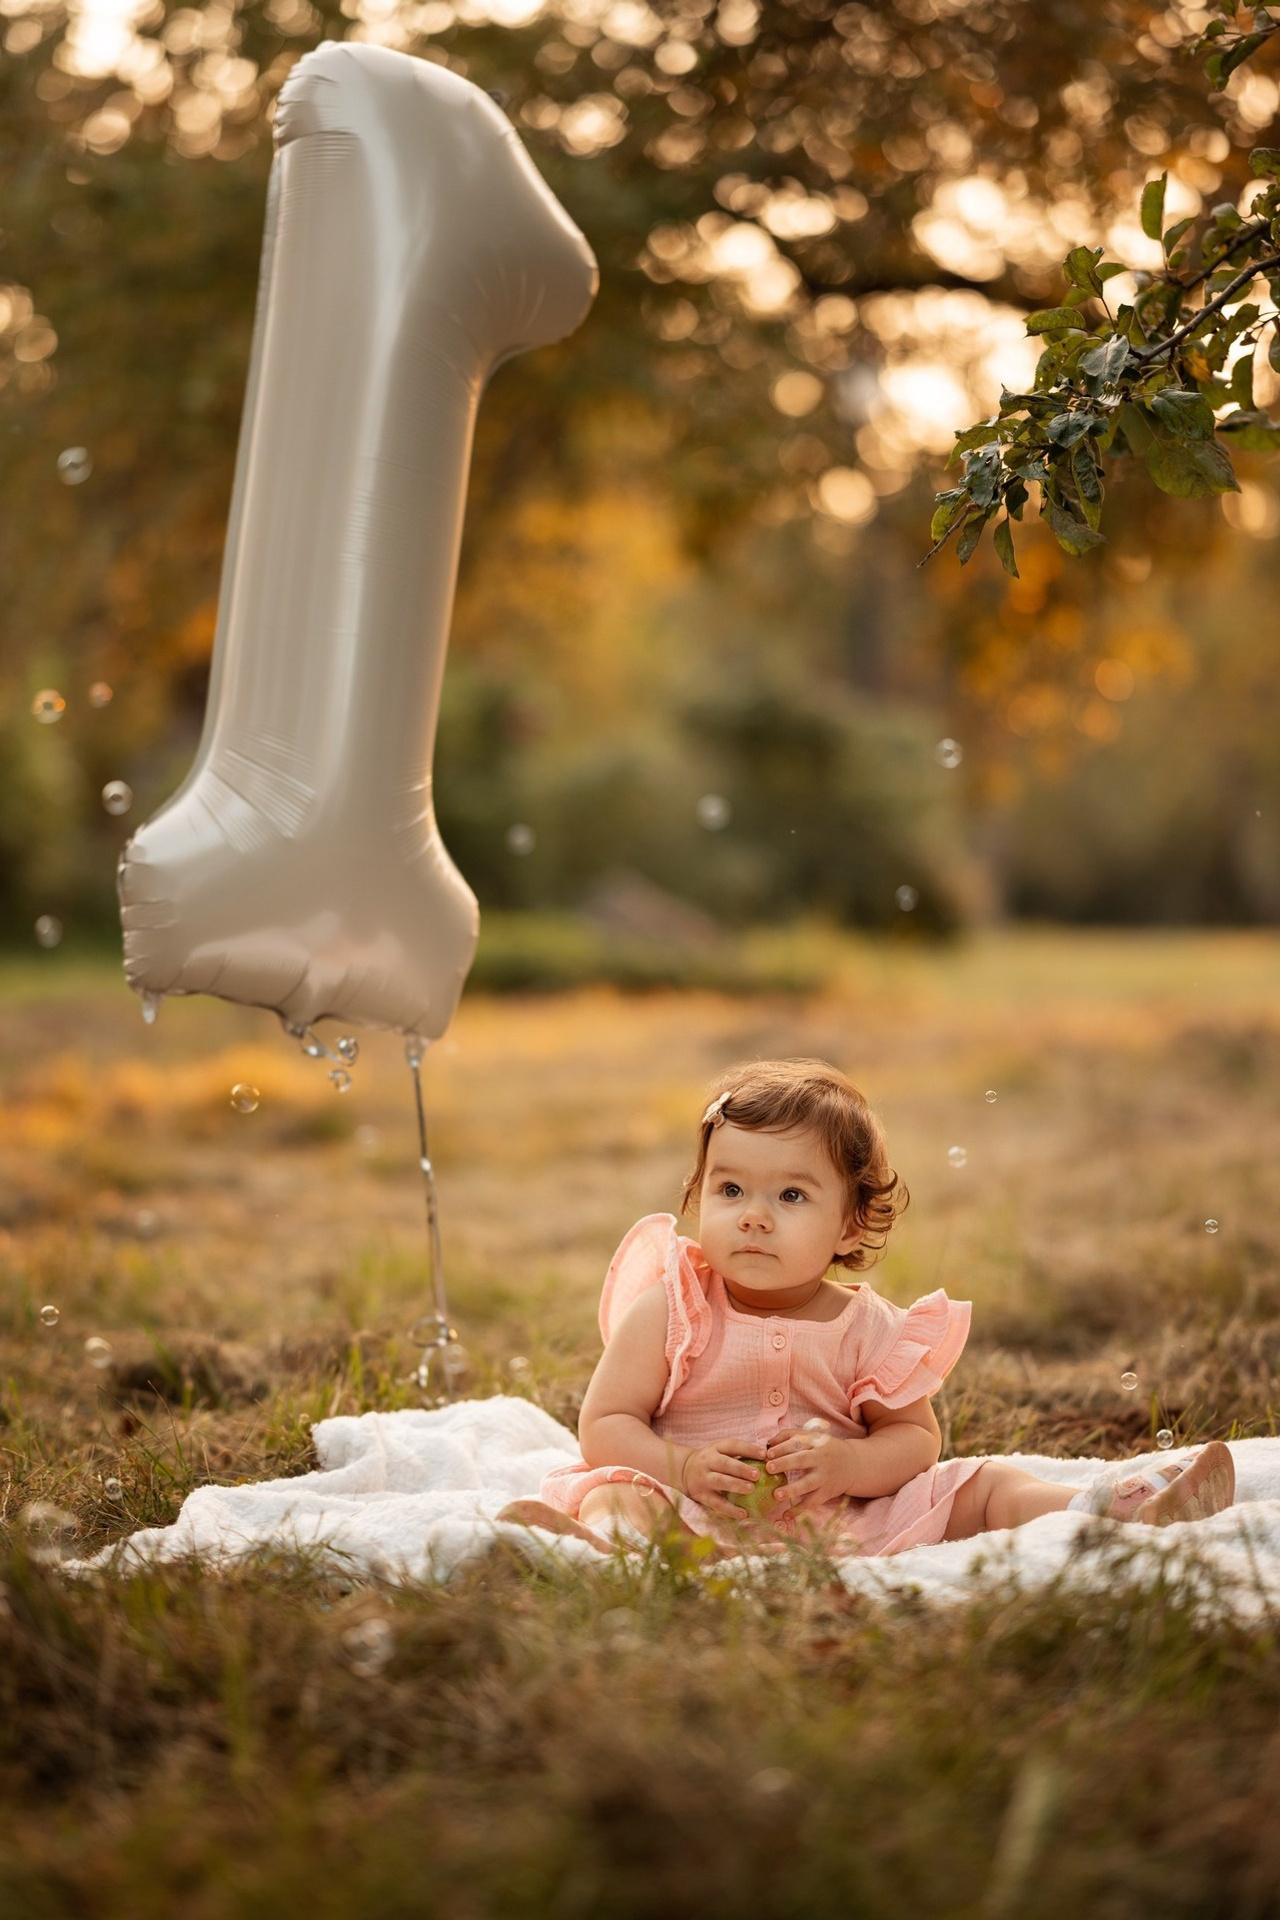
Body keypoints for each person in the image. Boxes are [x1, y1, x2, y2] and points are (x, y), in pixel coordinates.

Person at [499, 1059, 1235, 1555]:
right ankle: (598, 1557)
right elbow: (604, 1426)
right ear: (697, 1197)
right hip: (689, 1515)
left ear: (851, 1224)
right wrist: (681, 1467)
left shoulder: (869, 1328)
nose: (753, 1216)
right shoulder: (674, 1308)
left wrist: (849, 1467)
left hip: (837, 1523)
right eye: (730, 1191)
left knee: (980, 1485)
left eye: (791, 1195)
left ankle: (1108, 1510)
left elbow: (916, 1442)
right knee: (623, 1496)